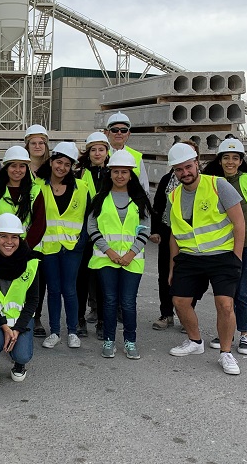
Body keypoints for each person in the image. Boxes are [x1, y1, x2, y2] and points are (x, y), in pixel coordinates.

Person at [165, 143, 247, 375]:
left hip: (222, 256)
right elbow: (174, 233)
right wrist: (173, 265)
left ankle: (226, 353)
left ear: (197, 163)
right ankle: (195, 342)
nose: (185, 173)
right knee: (180, 301)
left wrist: (237, 258)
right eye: (179, 170)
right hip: (190, 257)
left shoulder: (218, 184)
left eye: (188, 167)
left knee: (225, 304)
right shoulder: (174, 196)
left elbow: (239, 223)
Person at [201, 138, 247, 356]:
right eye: (226, 158)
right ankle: (226, 333)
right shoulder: (211, 182)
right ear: (220, 160)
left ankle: (244, 334)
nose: (230, 162)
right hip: (221, 247)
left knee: (243, 291)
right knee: (224, 293)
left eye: (235, 158)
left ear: (241, 161)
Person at [86, 150, 153, 359]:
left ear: (131, 174)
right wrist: (112, 253)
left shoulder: (140, 199)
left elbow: (145, 229)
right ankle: (109, 340)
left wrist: (130, 254)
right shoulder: (100, 198)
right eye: (116, 172)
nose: (120, 176)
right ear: (110, 173)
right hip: (106, 259)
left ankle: (130, 342)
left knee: (128, 302)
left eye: (125, 172)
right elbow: (92, 227)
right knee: (109, 301)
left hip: (132, 261)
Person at [27, 142, 89, 349]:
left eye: (67, 164)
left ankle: (72, 331)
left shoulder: (82, 188)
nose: (61, 167)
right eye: (58, 162)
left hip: (73, 248)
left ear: (72, 167)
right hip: (49, 248)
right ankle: (54, 332)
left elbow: (89, 217)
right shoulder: (38, 186)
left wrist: (82, 241)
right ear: (51, 162)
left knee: (69, 290)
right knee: (53, 290)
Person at [0, 214, 41, 387]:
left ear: (20, 239)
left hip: (20, 318)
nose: (9, 242)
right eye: (3, 236)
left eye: (14, 237)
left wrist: (17, 330)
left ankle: (19, 362)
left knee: (23, 355)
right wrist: (4, 328)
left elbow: (33, 301)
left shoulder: (31, 262)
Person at [151, 140, 200, 331]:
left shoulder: (206, 182)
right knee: (165, 274)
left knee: (192, 276)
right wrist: (155, 230)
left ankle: (187, 314)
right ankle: (166, 314)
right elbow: (157, 206)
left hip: (192, 235)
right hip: (168, 231)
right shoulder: (166, 181)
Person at [77, 131, 110, 339]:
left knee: (102, 280)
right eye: (93, 150)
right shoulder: (79, 173)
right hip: (84, 235)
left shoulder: (114, 172)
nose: (97, 153)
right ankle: (80, 319)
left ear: (107, 152)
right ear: (88, 153)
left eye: (101, 149)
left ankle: (101, 320)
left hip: (106, 236)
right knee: (81, 279)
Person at [21, 127, 50, 337]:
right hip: (23, 234)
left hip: (48, 234)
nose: (38, 146)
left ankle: (36, 316)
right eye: (34, 143)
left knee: (40, 280)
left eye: (41, 143)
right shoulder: (20, 168)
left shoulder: (52, 169)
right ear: (27, 146)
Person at [105, 112, 149, 195]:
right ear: (107, 133)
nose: (119, 133)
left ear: (128, 134)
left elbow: (144, 186)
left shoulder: (137, 156)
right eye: (115, 130)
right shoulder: (100, 155)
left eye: (123, 130)